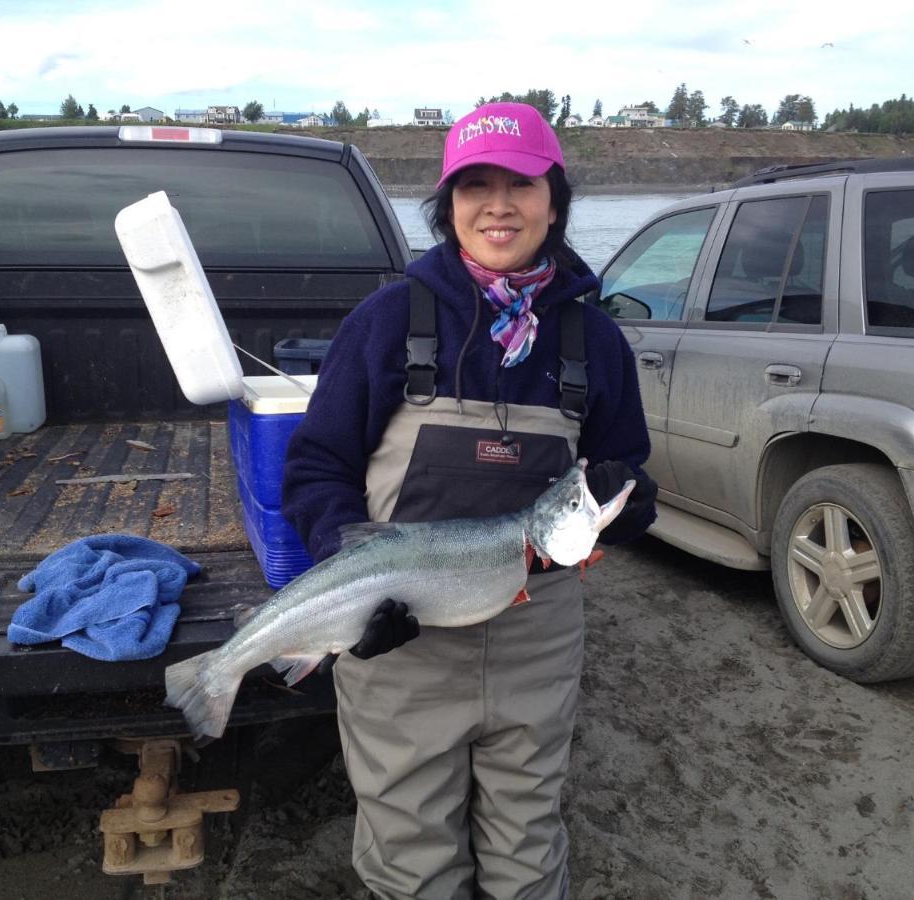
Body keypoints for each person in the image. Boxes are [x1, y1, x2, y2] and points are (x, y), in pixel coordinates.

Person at [281, 101, 657, 900]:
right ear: (447, 205)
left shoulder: (596, 342)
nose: (497, 205)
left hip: (538, 637)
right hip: (403, 640)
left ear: (554, 200)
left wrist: (628, 505)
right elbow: (317, 469)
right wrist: (353, 590)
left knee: (527, 837)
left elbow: (623, 469)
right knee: (411, 851)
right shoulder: (387, 323)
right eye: (473, 185)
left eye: (519, 183)